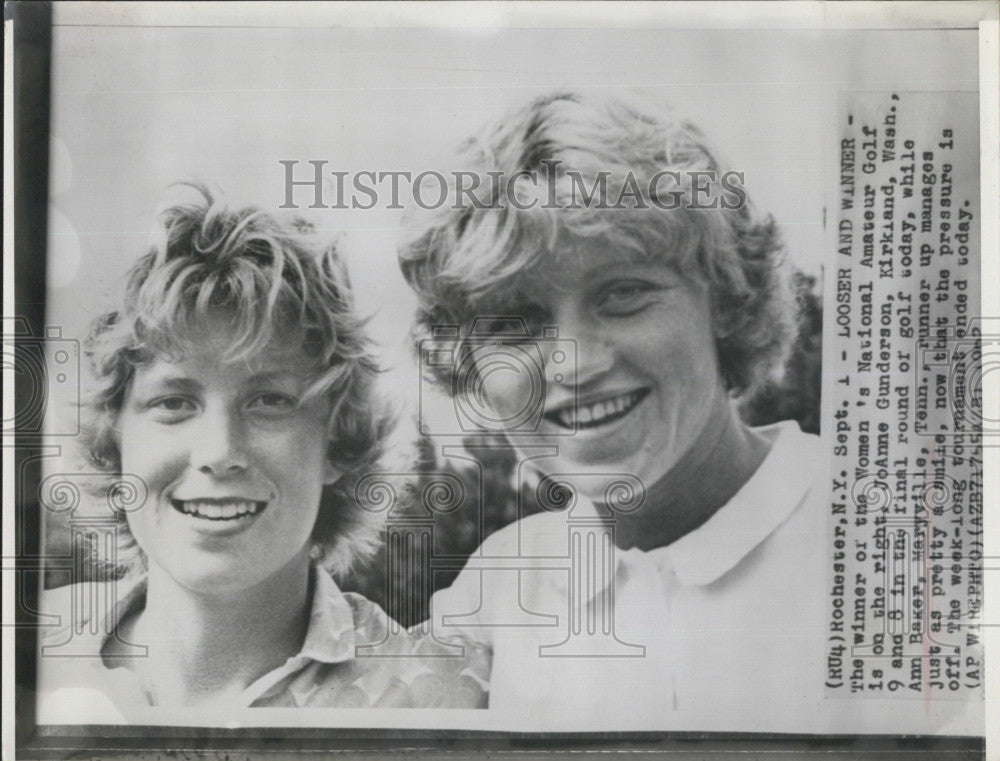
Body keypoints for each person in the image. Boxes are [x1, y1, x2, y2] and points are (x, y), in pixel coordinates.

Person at [398, 90, 974, 732]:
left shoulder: (901, 541)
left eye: (623, 295)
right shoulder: (499, 590)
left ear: (725, 298)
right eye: (518, 324)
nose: (572, 364)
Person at [37, 185, 488, 721]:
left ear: (338, 441)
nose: (220, 452)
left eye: (270, 401)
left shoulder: (436, 696)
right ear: (114, 443)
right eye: (174, 402)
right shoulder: (26, 654)